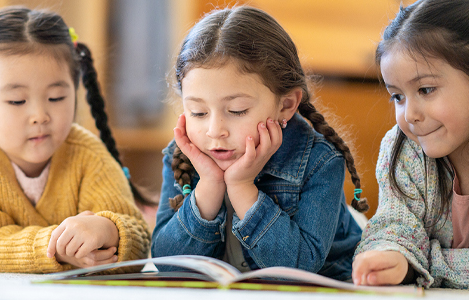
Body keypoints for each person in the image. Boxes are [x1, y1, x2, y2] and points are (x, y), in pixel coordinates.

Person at [0, 6, 150, 273]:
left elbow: (137, 235)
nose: (39, 116)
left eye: (56, 98)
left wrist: (109, 231)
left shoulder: (87, 152)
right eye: (17, 101)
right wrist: (57, 248)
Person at [151, 6, 368, 281]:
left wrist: (242, 187)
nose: (215, 131)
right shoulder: (182, 155)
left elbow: (298, 269)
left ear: (286, 104)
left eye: (237, 110)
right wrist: (209, 185)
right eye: (198, 113)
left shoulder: (320, 162)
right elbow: (166, 264)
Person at [353, 0, 469, 289]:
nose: (409, 115)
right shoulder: (404, 149)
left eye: (425, 89)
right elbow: (390, 227)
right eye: (397, 96)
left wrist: (422, 262)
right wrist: (393, 256)